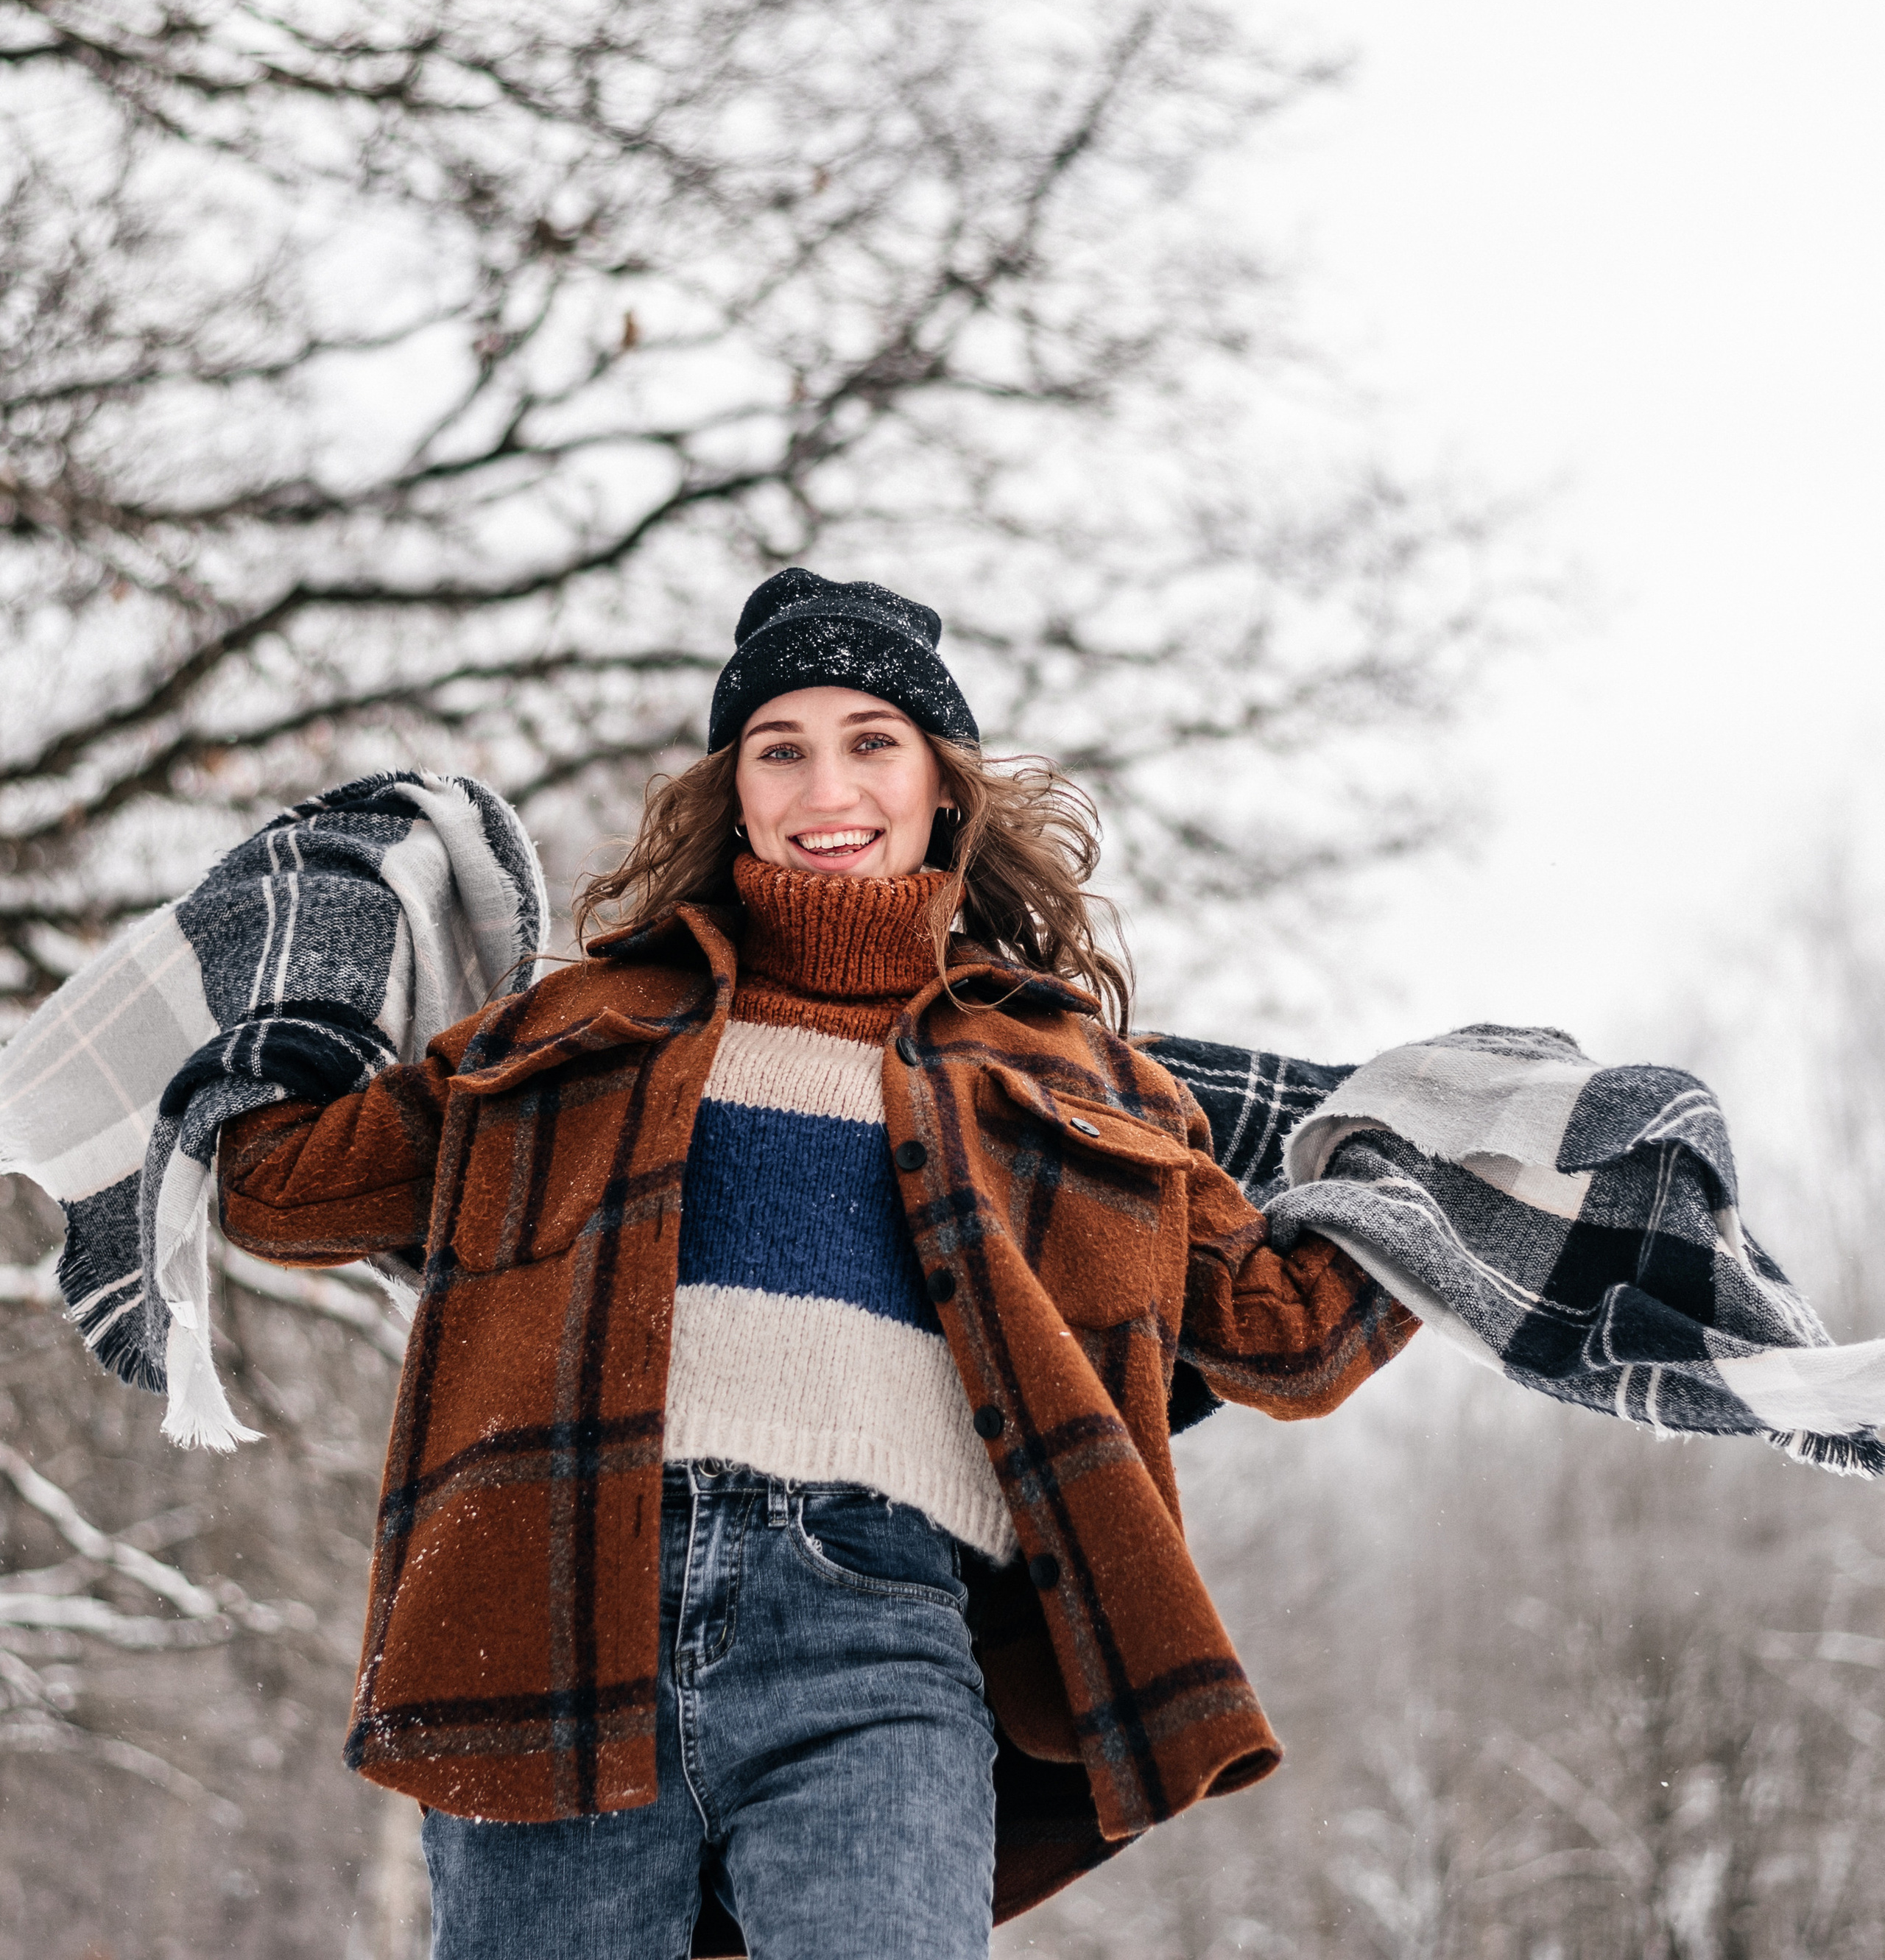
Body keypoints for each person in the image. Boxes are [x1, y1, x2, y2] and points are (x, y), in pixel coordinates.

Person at [218, 568, 1417, 1959]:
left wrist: (1452, 1166)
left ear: (942, 785)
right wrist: (326, 902)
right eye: (779, 747)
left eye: (872, 741)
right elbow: (277, 1186)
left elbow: (1286, 1332)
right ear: (733, 790)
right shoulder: (578, 1022)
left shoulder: (1068, 1074)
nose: (824, 786)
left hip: (874, 1628)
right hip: (547, 1614)